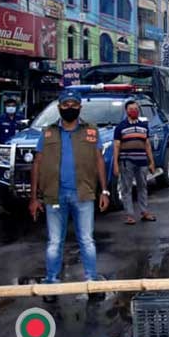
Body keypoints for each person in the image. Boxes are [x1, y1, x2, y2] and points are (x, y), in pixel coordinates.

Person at [28, 90, 110, 303]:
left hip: (83, 194)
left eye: (74, 104)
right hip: (54, 196)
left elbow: (99, 160)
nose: (70, 108)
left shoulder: (91, 131)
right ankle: (51, 283)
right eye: (66, 105)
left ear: (80, 107)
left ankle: (91, 282)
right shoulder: (48, 133)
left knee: (87, 240)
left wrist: (104, 190)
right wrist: (34, 198)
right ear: (59, 108)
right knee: (55, 242)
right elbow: (37, 163)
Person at [113, 100, 157, 225]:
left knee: (142, 186)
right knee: (126, 188)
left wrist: (151, 162)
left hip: (142, 161)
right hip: (126, 161)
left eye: (136, 109)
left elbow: (147, 144)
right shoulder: (120, 127)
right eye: (131, 109)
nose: (134, 111)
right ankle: (129, 215)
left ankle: (144, 212)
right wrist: (115, 164)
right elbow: (116, 146)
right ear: (126, 111)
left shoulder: (144, 126)